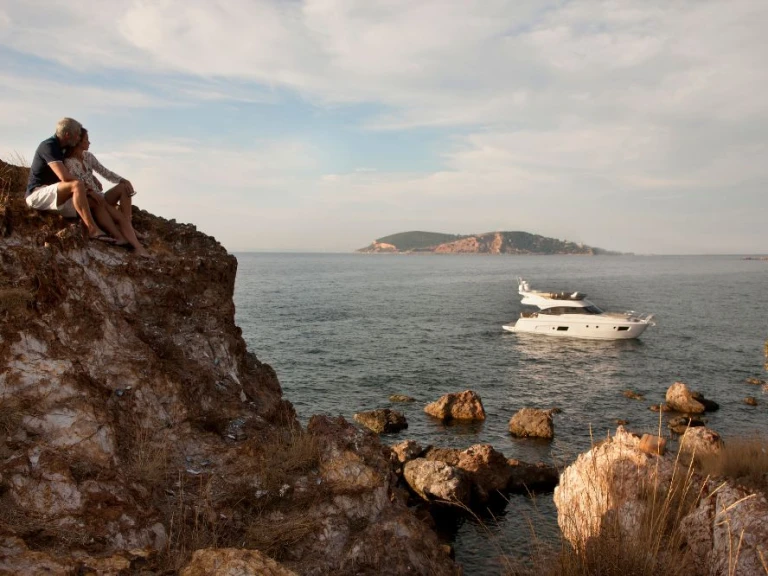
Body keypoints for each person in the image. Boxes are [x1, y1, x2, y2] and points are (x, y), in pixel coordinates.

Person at [64, 128, 150, 257]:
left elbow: (105, 172)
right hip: (90, 199)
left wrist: (123, 180)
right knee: (117, 216)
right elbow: (76, 184)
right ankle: (137, 247)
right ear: (77, 142)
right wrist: (91, 190)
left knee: (123, 187)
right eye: (86, 140)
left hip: (101, 196)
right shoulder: (68, 162)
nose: (89, 142)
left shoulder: (88, 156)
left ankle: (129, 226)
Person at [25, 117, 108, 241]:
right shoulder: (49, 146)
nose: (79, 138)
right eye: (77, 135)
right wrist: (89, 188)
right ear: (68, 135)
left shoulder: (64, 148)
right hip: (37, 194)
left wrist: (93, 178)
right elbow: (64, 177)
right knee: (76, 184)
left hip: (57, 195)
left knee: (96, 202)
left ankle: (118, 236)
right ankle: (92, 229)